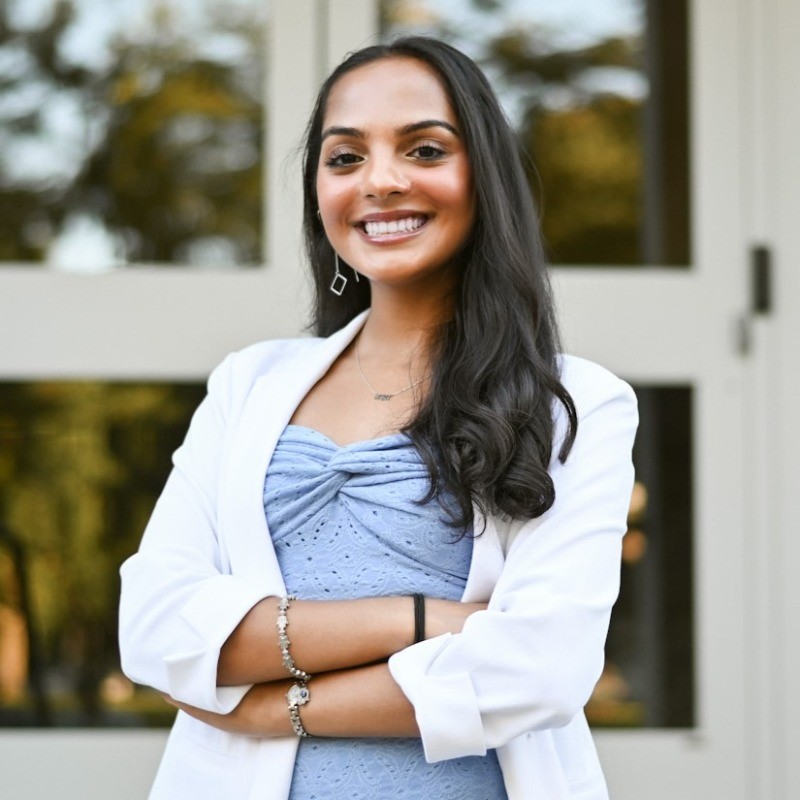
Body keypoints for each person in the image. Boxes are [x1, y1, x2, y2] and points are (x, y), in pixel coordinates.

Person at [119, 35, 638, 800]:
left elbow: (541, 668)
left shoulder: (577, 403)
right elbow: (157, 628)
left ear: (483, 177)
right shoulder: (248, 384)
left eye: (425, 150)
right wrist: (422, 618)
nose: (382, 182)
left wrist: (282, 708)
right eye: (345, 157)